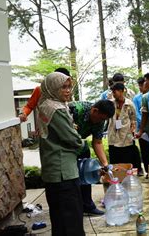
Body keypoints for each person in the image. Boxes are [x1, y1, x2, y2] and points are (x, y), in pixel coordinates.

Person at [37, 72, 85, 236]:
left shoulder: (45, 104)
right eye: (63, 87)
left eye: (69, 87)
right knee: (71, 220)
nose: (68, 91)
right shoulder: (56, 109)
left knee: (60, 220)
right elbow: (73, 139)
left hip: (53, 170)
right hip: (63, 172)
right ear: (52, 88)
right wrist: (82, 142)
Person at [68, 100, 114, 216]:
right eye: (100, 118)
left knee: (86, 175)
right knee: (71, 180)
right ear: (94, 110)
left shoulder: (100, 120)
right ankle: (73, 208)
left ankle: (87, 205)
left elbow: (97, 142)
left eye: (103, 120)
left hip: (81, 147)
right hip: (66, 149)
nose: (100, 122)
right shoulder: (75, 109)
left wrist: (105, 164)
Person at [107, 83, 139, 167]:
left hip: (126, 133)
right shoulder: (110, 103)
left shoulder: (129, 104)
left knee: (126, 156)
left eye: (115, 92)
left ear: (121, 91)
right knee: (114, 157)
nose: (113, 94)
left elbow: (133, 119)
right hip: (113, 132)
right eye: (112, 92)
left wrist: (133, 130)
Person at [135, 72, 149, 175]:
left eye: (145, 81)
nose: (144, 83)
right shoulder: (142, 97)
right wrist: (141, 129)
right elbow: (141, 114)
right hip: (148, 128)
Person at [133, 77, 149, 176]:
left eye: (142, 85)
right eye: (139, 85)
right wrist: (143, 124)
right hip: (142, 129)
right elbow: (137, 114)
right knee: (144, 151)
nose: (140, 87)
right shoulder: (136, 98)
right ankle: (148, 170)